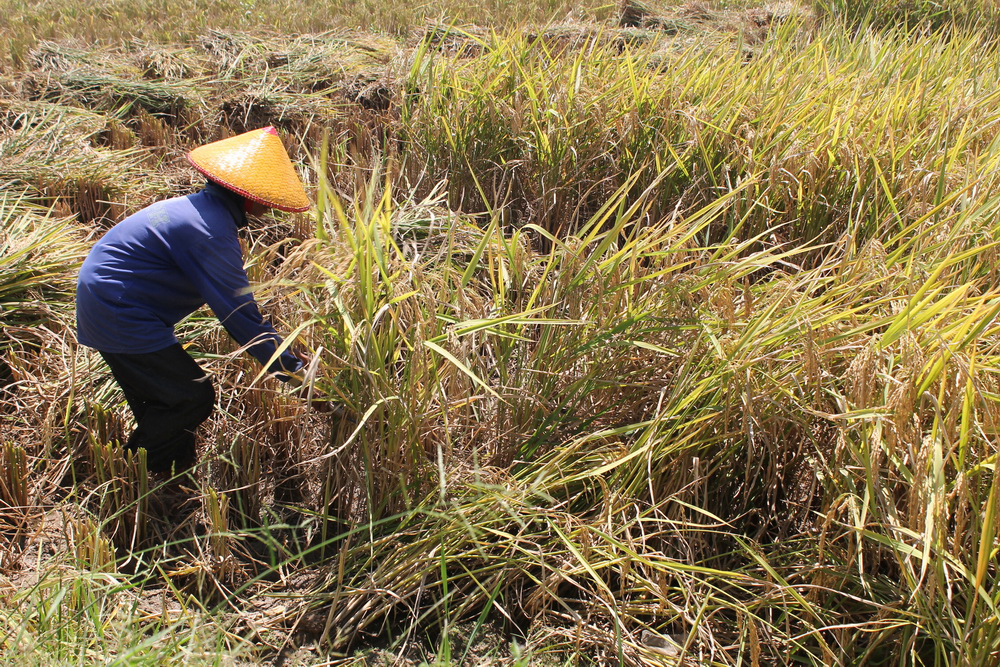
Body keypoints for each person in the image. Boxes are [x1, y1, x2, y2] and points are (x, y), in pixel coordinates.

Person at [76, 127, 312, 474]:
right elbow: (239, 317)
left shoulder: (198, 210)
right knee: (190, 397)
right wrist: (294, 373)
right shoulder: (210, 231)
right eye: (265, 196)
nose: (269, 204)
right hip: (119, 309)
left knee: (163, 399)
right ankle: (131, 474)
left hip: (108, 298)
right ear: (247, 195)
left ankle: (169, 473)